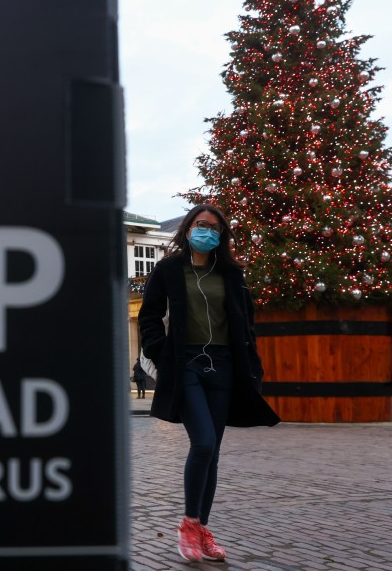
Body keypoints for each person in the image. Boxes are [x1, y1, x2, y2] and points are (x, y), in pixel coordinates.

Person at [138, 204, 280, 563]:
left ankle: (201, 528)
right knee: (202, 443)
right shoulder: (168, 269)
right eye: (201, 225)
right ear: (188, 229)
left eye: (215, 228)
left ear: (222, 235)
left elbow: (246, 320)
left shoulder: (231, 273)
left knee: (212, 452)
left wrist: (250, 360)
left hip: (224, 366)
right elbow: (149, 315)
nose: (207, 232)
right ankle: (188, 524)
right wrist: (160, 353)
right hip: (185, 364)